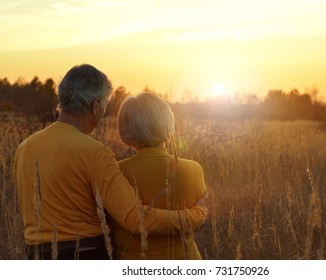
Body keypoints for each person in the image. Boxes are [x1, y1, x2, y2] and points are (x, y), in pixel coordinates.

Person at [13, 64, 207, 260]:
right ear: (96, 105)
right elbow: (136, 219)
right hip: (85, 256)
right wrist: (196, 215)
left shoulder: (25, 148)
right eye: (105, 104)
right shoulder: (95, 153)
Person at [111, 92, 207, 260]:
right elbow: (201, 209)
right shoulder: (193, 169)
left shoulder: (116, 173)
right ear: (168, 123)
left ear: (124, 129)